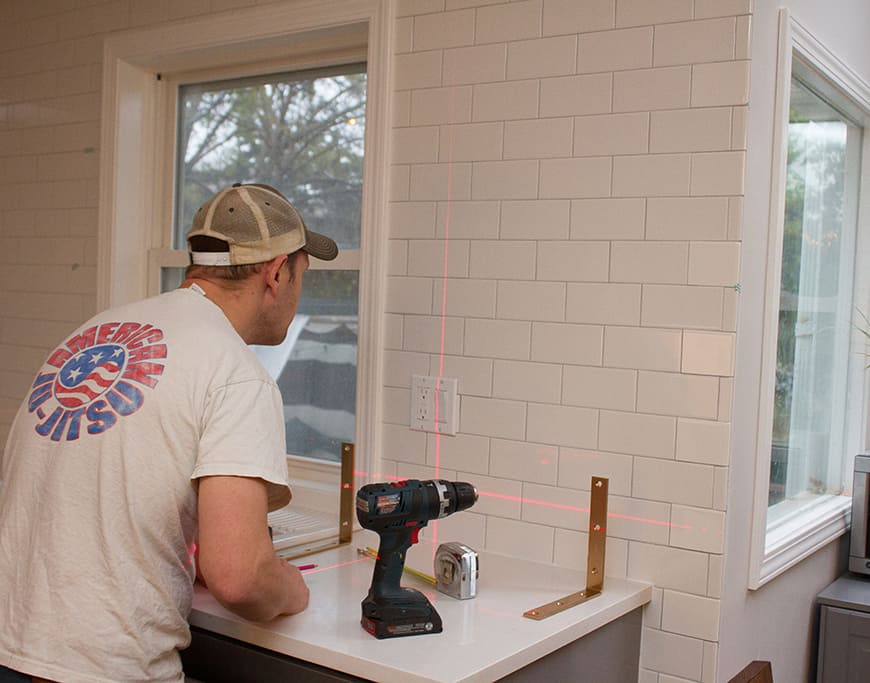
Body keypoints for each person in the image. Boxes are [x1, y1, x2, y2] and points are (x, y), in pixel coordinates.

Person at [0, 183, 338, 682]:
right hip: (103, 669)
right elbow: (240, 578)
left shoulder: (95, 334)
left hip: (12, 646)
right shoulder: (235, 372)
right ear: (276, 272)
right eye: (301, 275)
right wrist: (290, 588)